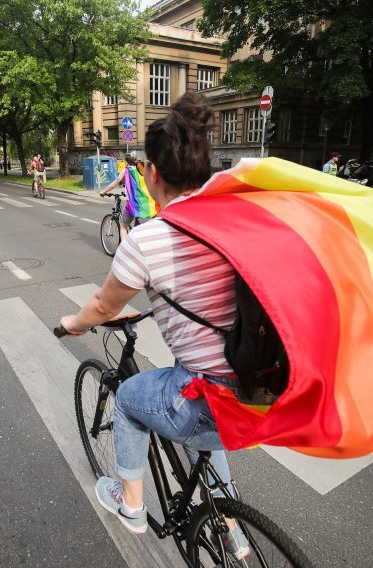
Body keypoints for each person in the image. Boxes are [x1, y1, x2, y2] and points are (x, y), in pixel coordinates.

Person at [58, 92, 249, 559]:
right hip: (257, 389)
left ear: (152, 173)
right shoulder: (234, 220)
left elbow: (103, 305)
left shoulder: (148, 240)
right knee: (206, 427)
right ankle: (230, 525)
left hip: (207, 389)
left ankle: (132, 506)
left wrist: (72, 325)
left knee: (127, 399)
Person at [99, 153, 157, 240]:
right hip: (148, 202)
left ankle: (124, 250)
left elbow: (114, 184)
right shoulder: (143, 169)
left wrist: (103, 192)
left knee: (123, 226)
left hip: (134, 203)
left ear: (126, 162)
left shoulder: (126, 171)